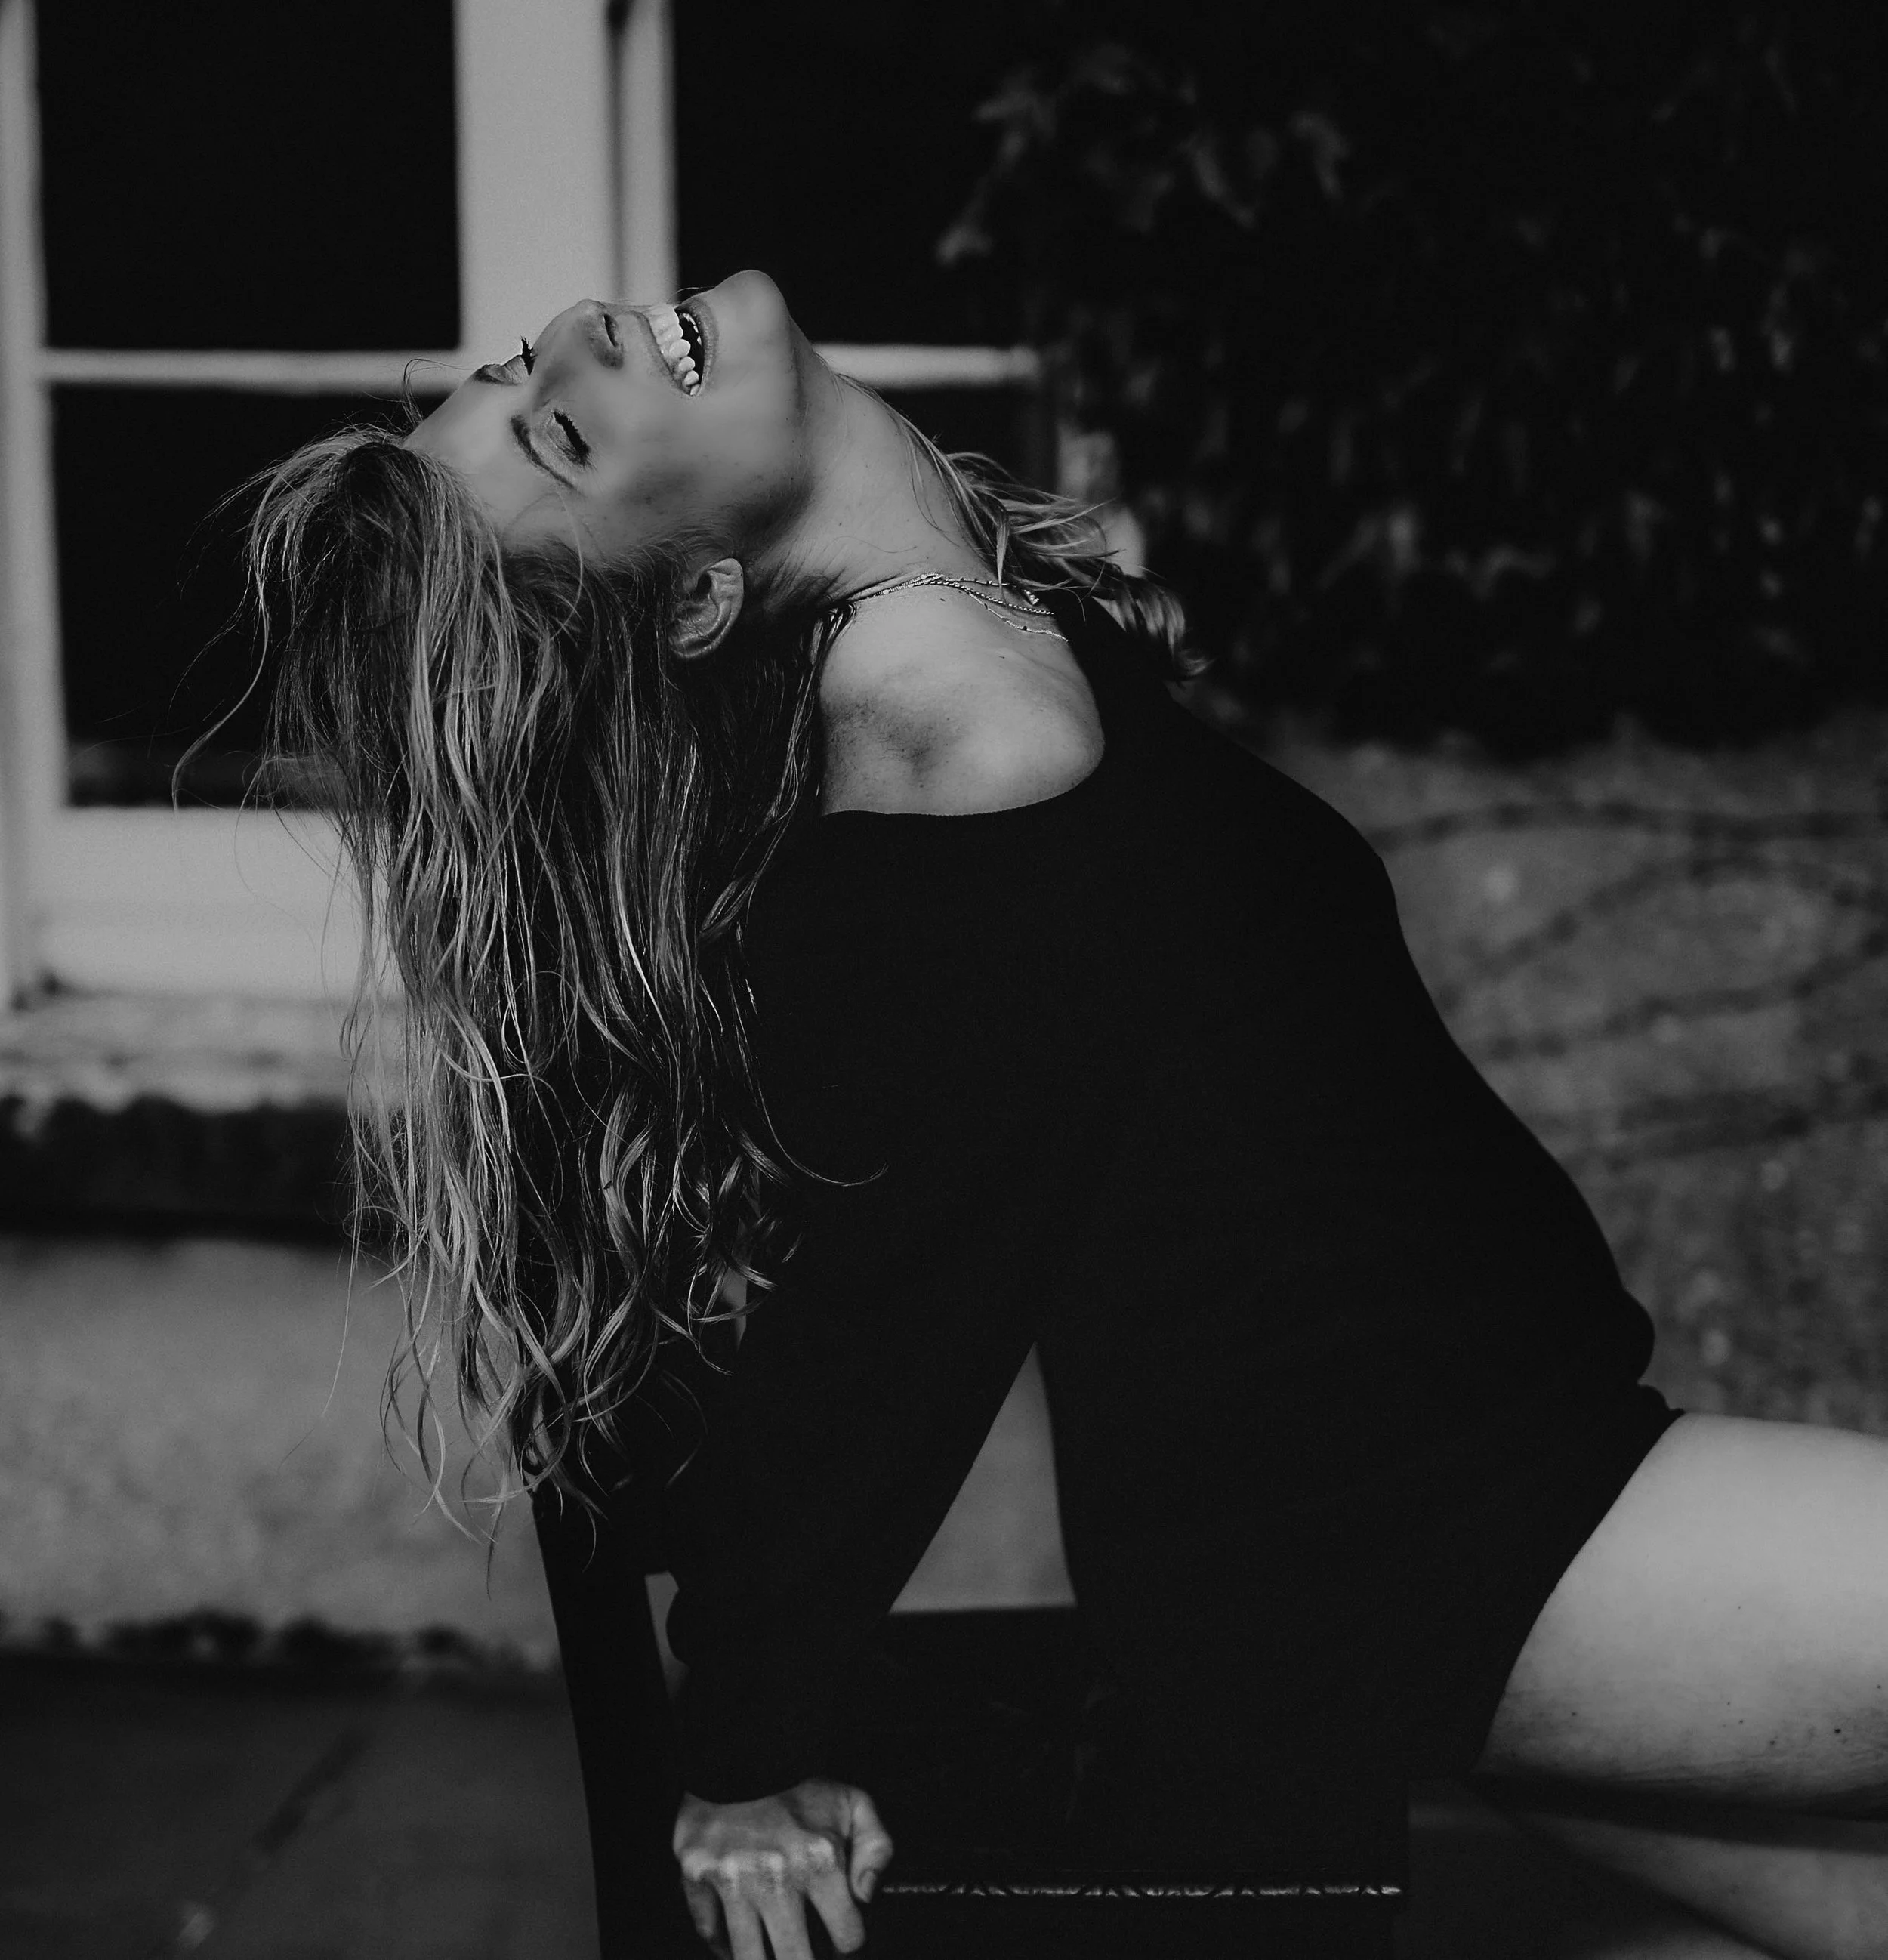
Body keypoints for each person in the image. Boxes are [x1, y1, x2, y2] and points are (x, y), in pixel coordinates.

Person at [241, 270, 1888, 1960]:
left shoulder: (950, 640)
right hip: (1471, 1552)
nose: (582, 326)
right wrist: (741, 1754)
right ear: (692, 601)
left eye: (524, 363)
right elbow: (890, 1304)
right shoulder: (961, 721)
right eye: (566, 432)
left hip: (1475, 1523)